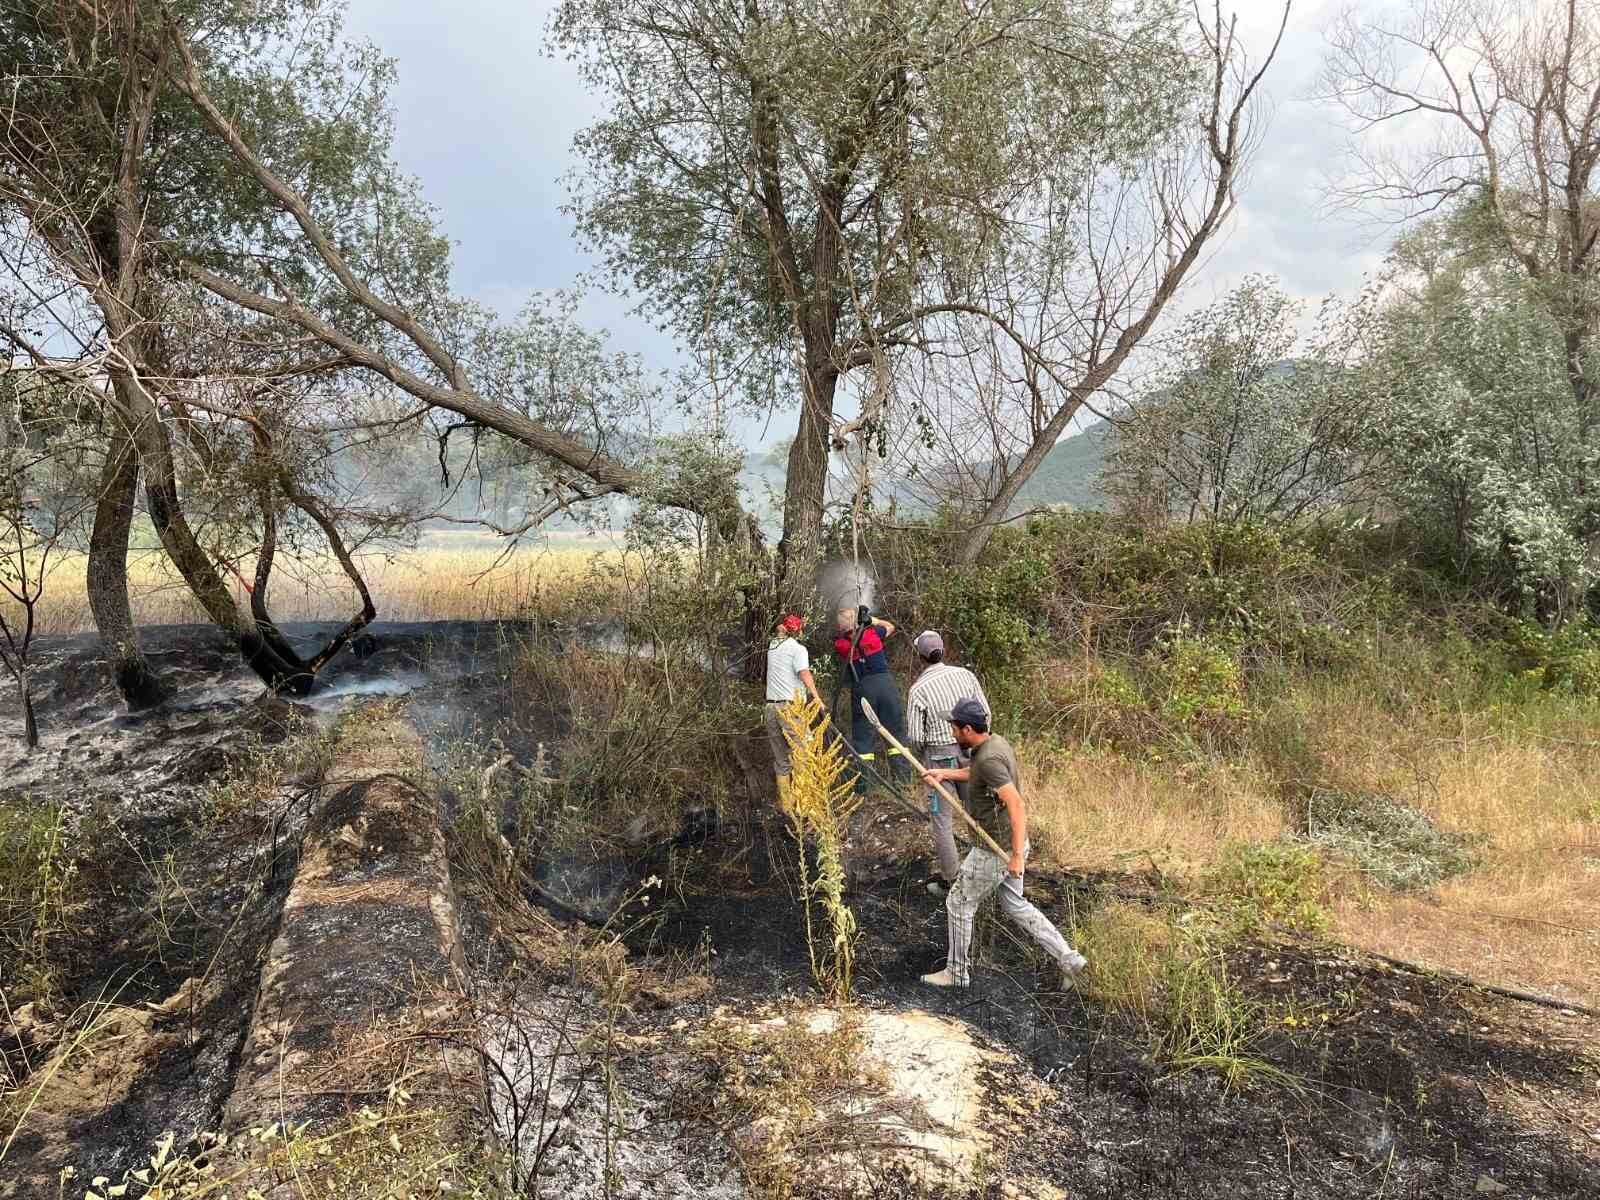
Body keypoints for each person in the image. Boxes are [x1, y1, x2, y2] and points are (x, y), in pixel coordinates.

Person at [919, 697, 1087, 991]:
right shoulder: (993, 745)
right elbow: (978, 776)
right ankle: (1069, 958)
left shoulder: (989, 758)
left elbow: (1017, 804)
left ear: (968, 729)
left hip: (996, 849)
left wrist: (1017, 856)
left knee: (958, 903)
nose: (952, 734)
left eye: (955, 729)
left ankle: (956, 973)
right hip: (1009, 844)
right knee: (1015, 905)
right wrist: (944, 774)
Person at [904, 630, 990, 891]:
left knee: (942, 820)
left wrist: (925, 755)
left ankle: (952, 879)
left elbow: (916, 736)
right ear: (944, 650)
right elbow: (985, 713)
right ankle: (985, 871)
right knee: (976, 810)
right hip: (972, 750)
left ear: (920, 657)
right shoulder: (965, 675)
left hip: (939, 757)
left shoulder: (918, 689)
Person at [833, 606, 909, 783]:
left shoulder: (841, 645)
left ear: (840, 627)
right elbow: (890, 626)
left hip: (862, 689)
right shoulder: (873, 634)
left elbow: (844, 638)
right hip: (885, 686)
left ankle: (862, 786)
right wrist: (871, 620)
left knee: (862, 738)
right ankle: (903, 782)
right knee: (895, 732)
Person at [765, 613, 823, 809]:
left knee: (781, 760)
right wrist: (816, 697)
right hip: (790, 708)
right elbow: (804, 673)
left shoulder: (773, 646)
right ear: (798, 631)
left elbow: (781, 632)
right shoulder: (798, 649)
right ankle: (805, 806)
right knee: (803, 755)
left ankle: (787, 806)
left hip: (771, 708)